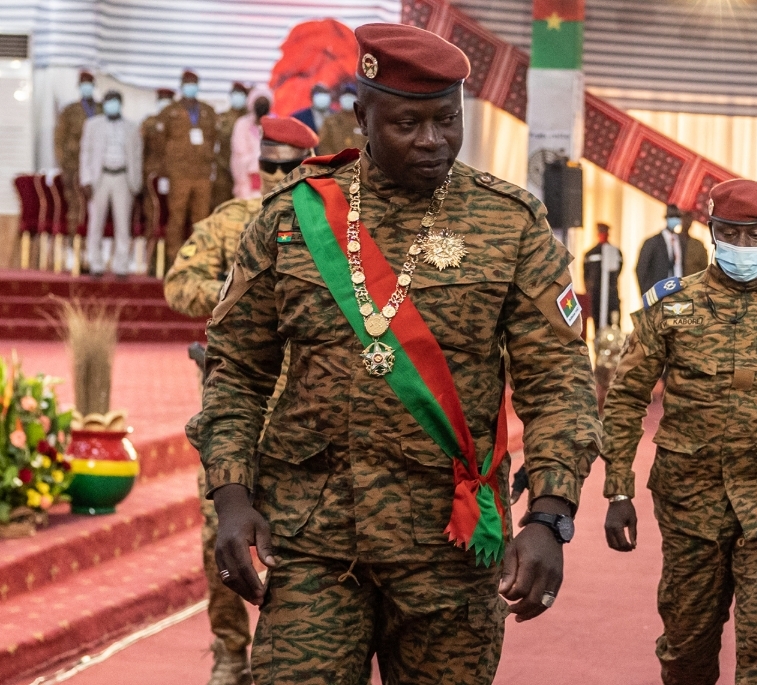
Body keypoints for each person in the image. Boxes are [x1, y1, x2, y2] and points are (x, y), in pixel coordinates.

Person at [186, 24, 601, 684]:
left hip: (452, 548)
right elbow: (235, 366)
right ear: (363, 115)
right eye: (408, 122)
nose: (431, 140)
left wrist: (551, 513)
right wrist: (231, 494)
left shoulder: (509, 224)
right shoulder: (292, 219)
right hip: (313, 539)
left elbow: (558, 379)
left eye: (446, 120)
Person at [601, 177, 757, 685]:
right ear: (713, 232)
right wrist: (618, 489)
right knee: (687, 651)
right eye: (732, 234)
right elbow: (626, 397)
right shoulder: (669, 307)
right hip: (690, 503)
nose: (743, 246)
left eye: (755, 235)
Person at [165, 116, 316, 685]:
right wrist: (241, 291)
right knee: (218, 540)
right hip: (236, 410)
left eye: (288, 166)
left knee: (304, 541)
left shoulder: (330, 232)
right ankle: (230, 653)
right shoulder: (231, 222)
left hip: (304, 413)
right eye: (269, 165)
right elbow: (179, 285)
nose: (276, 176)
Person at [78, 90, 142, 277]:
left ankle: (121, 265)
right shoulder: (92, 125)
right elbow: (85, 153)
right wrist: (86, 179)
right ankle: (95, 263)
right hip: (100, 178)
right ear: (103, 103)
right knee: (95, 222)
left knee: (123, 224)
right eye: (108, 101)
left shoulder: (131, 127)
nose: (111, 104)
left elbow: (137, 156)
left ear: (120, 104)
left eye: (114, 101)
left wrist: (135, 183)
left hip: (122, 177)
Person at [162, 70, 218, 266]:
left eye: (194, 83)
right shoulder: (170, 112)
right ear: (181, 85)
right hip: (179, 174)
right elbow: (162, 142)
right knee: (176, 218)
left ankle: (197, 261)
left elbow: (214, 140)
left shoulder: (208, 111)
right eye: (187, 83)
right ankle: (174, 261)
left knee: (201, 220)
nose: (191, 86)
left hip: (202, 173)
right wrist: (165, 171)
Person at [54, 70, 99, 240]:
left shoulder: (101, 109)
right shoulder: (70, 111)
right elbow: (59, 140)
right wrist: (65, 165)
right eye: (83, 83)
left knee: (97, 210)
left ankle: (94, 252)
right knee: (75, 208)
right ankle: (75, 248)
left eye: (89, 83)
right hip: (74, 167)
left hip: (97, 168)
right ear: (79, 86)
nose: (86, 86)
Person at [636, 204, 704, 294]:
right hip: (659, 292)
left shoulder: (681, 241)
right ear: (666, 218)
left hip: (678, 292)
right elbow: (642, 269)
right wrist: (648, 294)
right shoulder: (653, 242)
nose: (675, 220)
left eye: (677, 217)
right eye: (672, 216)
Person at [141, 88, 174, 248]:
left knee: (173, 218)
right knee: (152, 216)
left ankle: (169, 259)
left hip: (174, 176)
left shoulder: (180, 122)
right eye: (162, 99)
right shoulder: (149, 123)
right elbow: (140, 150)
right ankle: (151, 257)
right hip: (151, 177)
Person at [211, 82, 250, 209]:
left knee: (242, 207)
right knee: (221, 206)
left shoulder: (251, 119)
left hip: (245, 171)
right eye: (234, 94)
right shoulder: (221, 118)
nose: (237, 97)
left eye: (240, 94)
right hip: (223, 169)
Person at [582, 222, 623, 333]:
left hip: (611, 293)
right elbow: (586, 274)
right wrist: (589, 290)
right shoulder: (591, 253)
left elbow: (619, 270)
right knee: (597, 323)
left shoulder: (615, 252)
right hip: (595, 293)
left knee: (613, 322)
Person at [230, 95, 272, 200]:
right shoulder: (242, 124)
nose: (261, 107)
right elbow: (239, 153)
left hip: (269, 180)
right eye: (259, 104)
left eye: (264, 104)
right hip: (245, 180)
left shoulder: (275, 124)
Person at [318, 83, 368, 156]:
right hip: (335, 164)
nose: (347, 99)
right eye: (344, 96)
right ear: (340, 99)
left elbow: (369, 145)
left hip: (360, 164)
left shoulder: (364, 122)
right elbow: (323, 145)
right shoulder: (329, 122)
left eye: (351, 96)